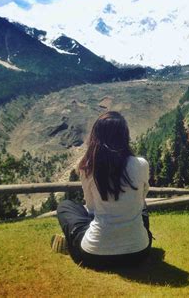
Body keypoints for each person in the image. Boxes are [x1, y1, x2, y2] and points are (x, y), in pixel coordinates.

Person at [52, 111, 152, 268]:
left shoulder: (88, 168)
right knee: (142, 209)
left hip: (95, 255)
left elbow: (91, 208)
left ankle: (72, 242)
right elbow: (141, 200)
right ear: (125, 136)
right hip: (139, 252)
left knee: (66, 206)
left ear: (96, 137)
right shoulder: (141, 164)